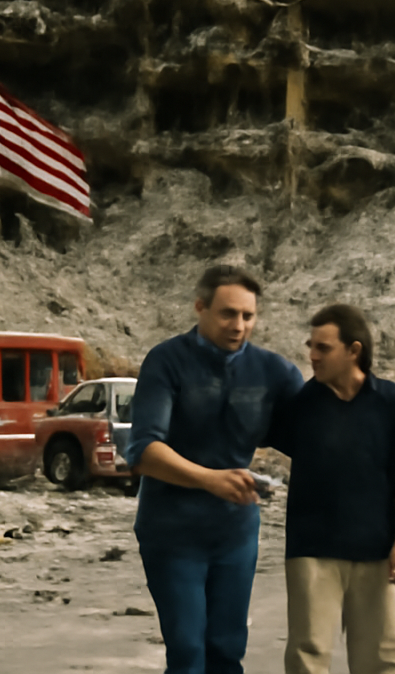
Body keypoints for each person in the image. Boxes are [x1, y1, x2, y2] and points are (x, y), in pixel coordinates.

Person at [126, 265, 305, 674]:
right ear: (200, 307)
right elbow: (144, 450)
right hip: (171, 530)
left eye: (248, 316)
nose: (239, 325)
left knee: (226, 650)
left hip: (235, 533)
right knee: (188, 651)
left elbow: (318, 439)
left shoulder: (274, 372)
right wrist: (210, 479)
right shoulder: (166, 360)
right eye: (228, 313)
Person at [270, 304, 395, 674]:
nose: (312, 356)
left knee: (384, 658)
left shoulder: (391, 402)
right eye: (310, 346)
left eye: (323, 348)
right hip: (311, 550)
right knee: (307, 655)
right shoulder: (302, 405)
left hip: (375, 551)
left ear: (354, 350)